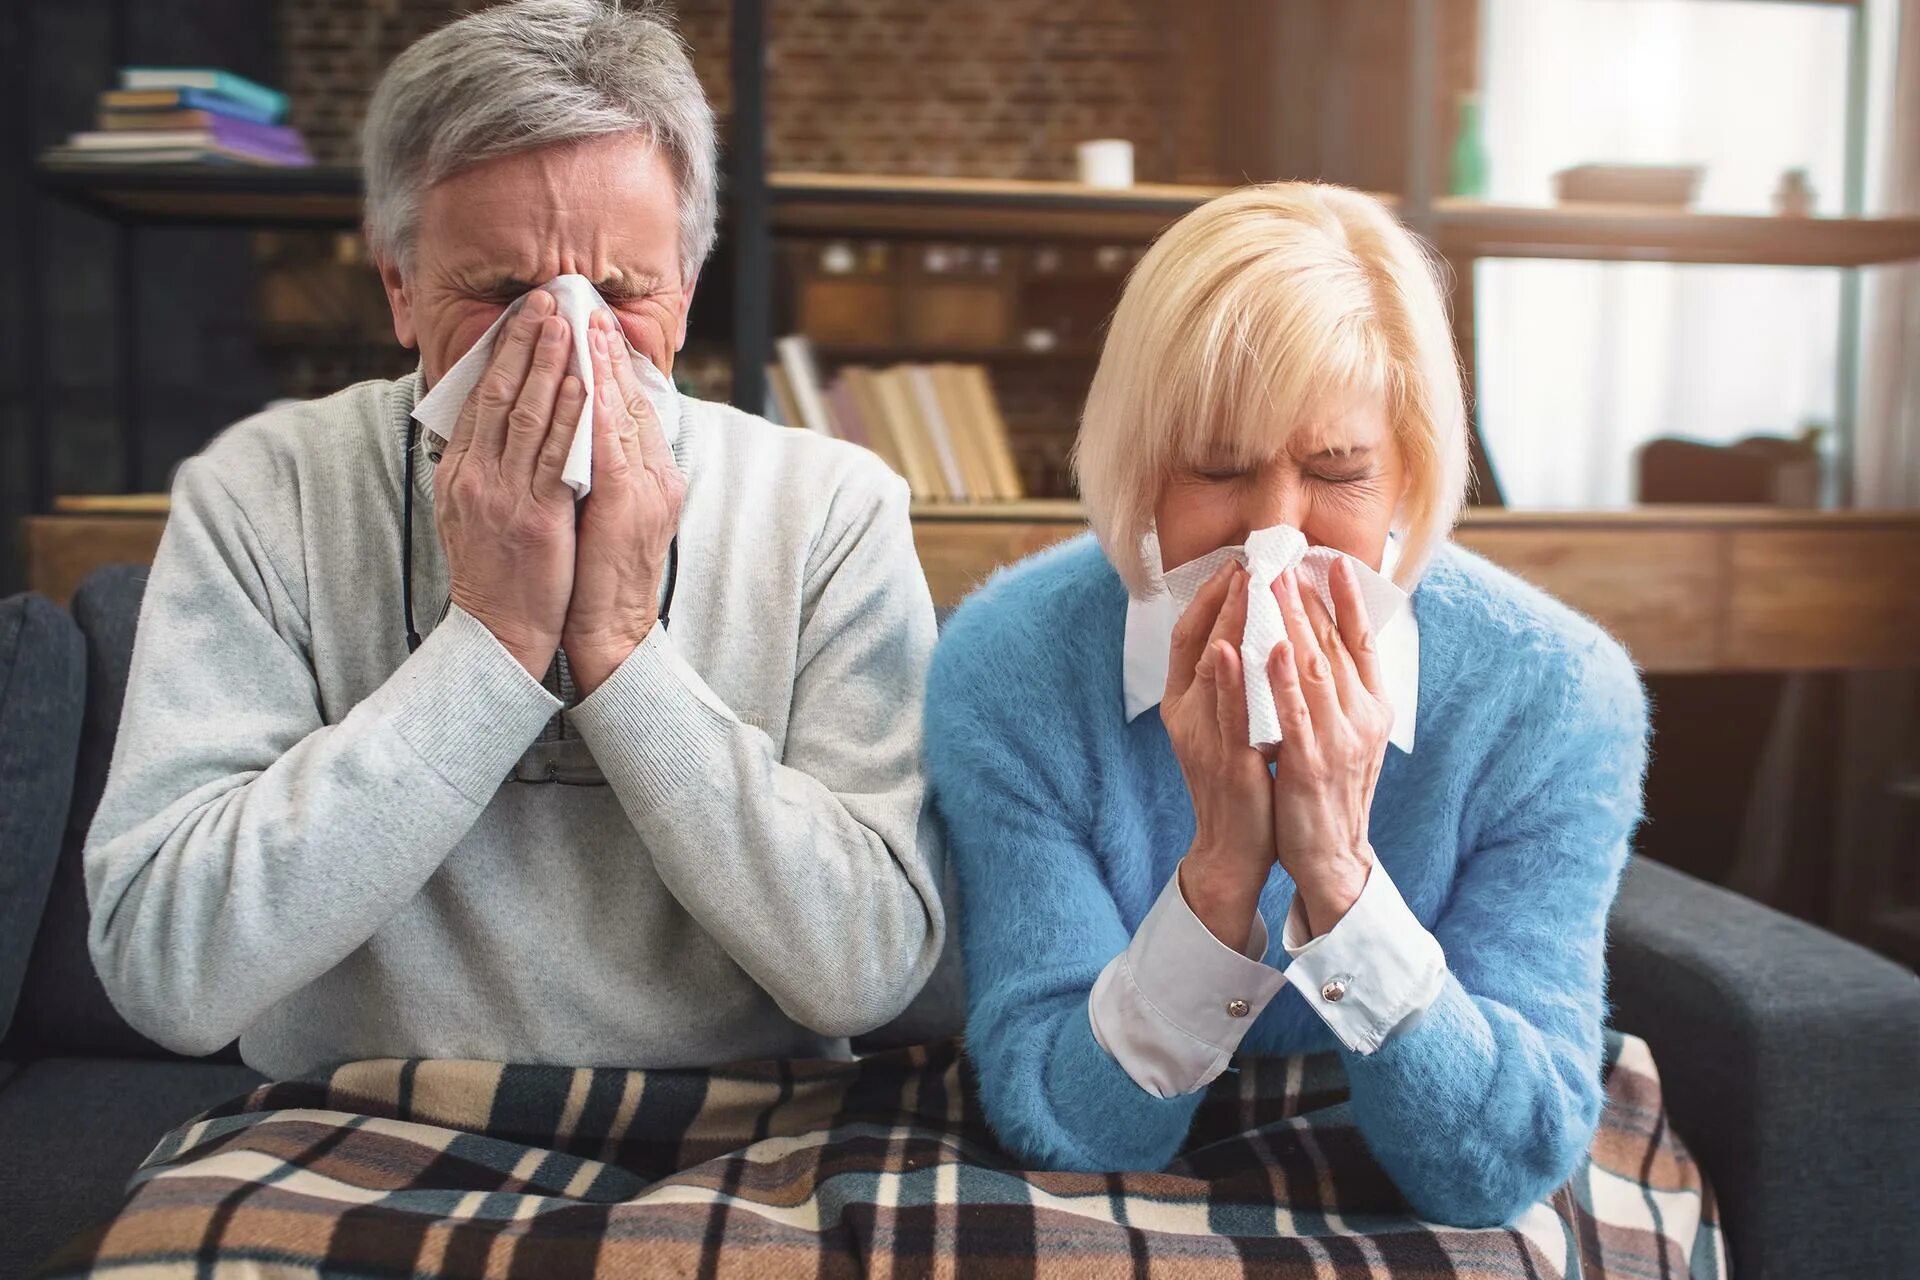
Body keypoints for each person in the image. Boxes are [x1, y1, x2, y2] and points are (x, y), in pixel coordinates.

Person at [84, 0, 944, 1078]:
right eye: (500, 292)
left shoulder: (831, 507)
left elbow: (865, 967)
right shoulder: (265, 493)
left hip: (740, 1124)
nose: (569, 340)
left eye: (622, 294)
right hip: (358, 1117)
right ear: (398, 285)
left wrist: (625, 649)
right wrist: (490, 638)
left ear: (685, 290)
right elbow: (167, 969)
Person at [924, 182, 1650, 1227]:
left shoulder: (1556, 693)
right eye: (1217, 468)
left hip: (1398, 1135)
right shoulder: (1009, 665)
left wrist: (1341, 878)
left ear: (1409, 473)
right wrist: (1221, 869)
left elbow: (1496, 1167)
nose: (1276, 534)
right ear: (1137, 469)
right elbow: (1069, 1129)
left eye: (1337, 472)